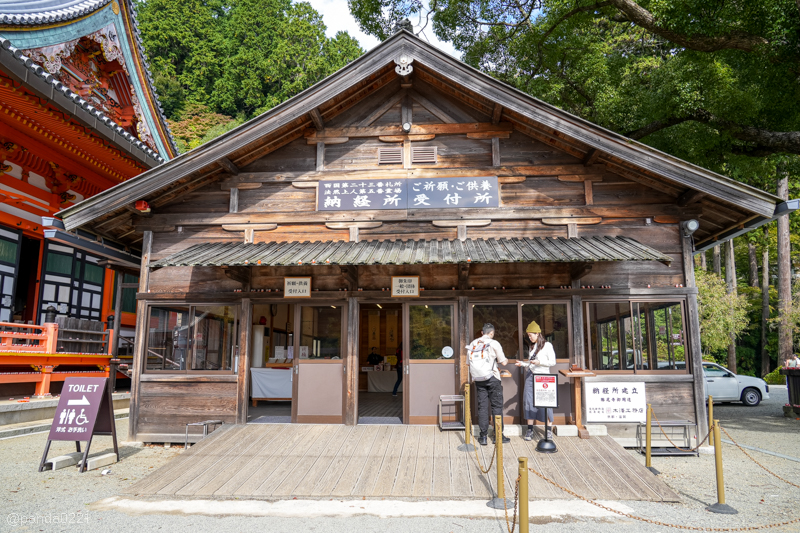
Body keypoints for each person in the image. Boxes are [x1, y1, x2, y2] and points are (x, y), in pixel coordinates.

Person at [468, 323, 509, 445]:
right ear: (492, 333)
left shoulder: (473, 344)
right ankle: (498, 436)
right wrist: (505, 360)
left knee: (482, 407)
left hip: (479, 379)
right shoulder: (494, 343)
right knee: (496, 406)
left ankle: (483, 437)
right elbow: (504, 362)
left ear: (482, 332)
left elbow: (467, 363)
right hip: (492, 378)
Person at [516, 320, 556, 441]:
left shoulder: (547, 346)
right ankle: (529, 429)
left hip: (544, 378)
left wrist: (540, 362)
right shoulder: (532, 347)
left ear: (537, 333)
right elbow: (531, 363)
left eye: (531, 335)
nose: (529, 337)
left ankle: (548, 430)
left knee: (546, 403)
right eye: (528, 335)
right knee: (528, 401)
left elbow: (553, 362)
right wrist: (522, 364)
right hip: (530, 376)